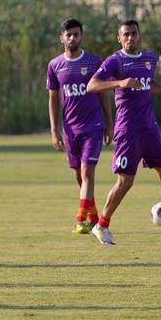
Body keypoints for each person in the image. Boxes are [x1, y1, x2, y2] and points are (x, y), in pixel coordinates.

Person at [86, 19, 161, 245]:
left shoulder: (149, 59)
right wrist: (120, 83)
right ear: (119, 38)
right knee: (125, 182)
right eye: (126, 34)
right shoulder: (115, 61)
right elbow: (92, 85)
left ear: (139, 35)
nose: (130, 38)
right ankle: (101, 226)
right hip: (128, 130)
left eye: (133, 33)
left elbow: (148, 84)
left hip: (150, 129)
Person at [47, 18, 113, 234]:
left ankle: (80, 219)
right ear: (62, 38)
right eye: (69, 35)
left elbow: (103, 92)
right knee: (79, 176)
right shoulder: (55, 65)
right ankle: (94, 217)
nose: (72, 38)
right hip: (70, 130)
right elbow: (53, 99)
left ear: (81, 36)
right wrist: (54, 129)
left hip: (92, 126)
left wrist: (109, 123)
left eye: (76, 34)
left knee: (87, 172)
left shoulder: (94, 62)